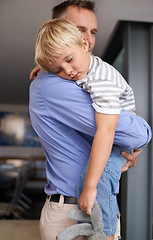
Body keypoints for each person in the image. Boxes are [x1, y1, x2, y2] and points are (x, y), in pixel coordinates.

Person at [29, 1, 144, 240]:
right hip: (72, 208)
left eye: (92, 32)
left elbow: (119, 134)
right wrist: (142, 134)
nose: (88, 39)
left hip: (91, 204)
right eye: (80, 29)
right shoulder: (54, 82)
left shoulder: (95, 77)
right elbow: (135, 133)